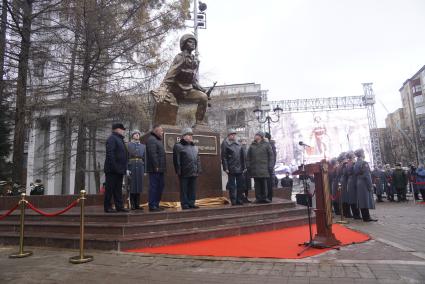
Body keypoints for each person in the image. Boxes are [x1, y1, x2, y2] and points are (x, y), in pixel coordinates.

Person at [152, 34, 208, 125]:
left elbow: (193, 81)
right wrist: (163, 89)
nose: (193, 43)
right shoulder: (180, 57)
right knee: (166, 101)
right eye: (190, 41)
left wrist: (203, 90)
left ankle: (199, 122)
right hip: (175, 90)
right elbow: (170, 75)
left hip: (188, 90)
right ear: (184, 44)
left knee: (204, 97)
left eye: (194, 42)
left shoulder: (195, 61)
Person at [173, 128, 202, 209]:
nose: (191, 136)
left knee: (192, 189)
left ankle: (191, 203)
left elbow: (198, 159)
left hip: (194, 171)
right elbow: (176, 160)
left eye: (191, 135)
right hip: (184, 172)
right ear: (184, 136)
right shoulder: (178, 146)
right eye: (189, 135)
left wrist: (198, 169)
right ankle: (185, 204)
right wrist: (178, 171)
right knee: (184, 189)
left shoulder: (195, 147)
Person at [104, 123, 129, 213]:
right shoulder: (112, 139)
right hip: (112, 169)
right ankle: (107, 207)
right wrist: (115, 167)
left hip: (119, 169)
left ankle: (119, 206)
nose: (123, 131)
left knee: (118, 189)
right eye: (122, 129)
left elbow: (123, 154)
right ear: (117, 129)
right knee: (109, 189)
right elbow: (110, 154)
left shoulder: (119, 139)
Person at [246, 131, 274, 204]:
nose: (255, 136)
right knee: (257, 184)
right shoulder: (252, 146)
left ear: (260, 136)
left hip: (264, 168)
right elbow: (248, 157)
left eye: (257, 135)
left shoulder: (267, 145)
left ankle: (264, 198)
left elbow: (271, 156)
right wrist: (248, 166)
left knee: (264, 183)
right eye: (255, 135)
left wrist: (270, 166)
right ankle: (258, 198)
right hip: (255, 168)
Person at [221, 129, 245, 206]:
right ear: (228, 135)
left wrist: (244, 167)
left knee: (240, 185)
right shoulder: (225, 143)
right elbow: (224, 157)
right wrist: (226, 167)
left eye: (234, 134)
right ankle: (233, 200)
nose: (233, 136)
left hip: (239, 168)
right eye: (232, 134)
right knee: (232, 185)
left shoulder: (238, 144)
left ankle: (239, 199)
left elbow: (242, 156)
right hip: (231, 168)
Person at [146, 125, 166, 212]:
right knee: (154, 187)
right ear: (156, 131)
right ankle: (152, 205)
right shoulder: (152, 139)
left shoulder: (158, 140)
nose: (162, 132)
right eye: (161, 131)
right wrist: (156, 166)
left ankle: (156, 204)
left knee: (160, 186)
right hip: (155, 168)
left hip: (160, 168)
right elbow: (152, 154)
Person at [353, 149, 377, 222]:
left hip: (358, 182)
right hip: (364, 183)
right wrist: (370, 186)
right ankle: (367, 217)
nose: (364, 154)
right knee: (365, 200)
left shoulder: (356, 163)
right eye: (363, 153)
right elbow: (367, 175)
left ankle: (365, 216)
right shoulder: (364, 163)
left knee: (362, 200)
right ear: (361, 154)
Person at [127, 130, 145, 211]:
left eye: (138, 134)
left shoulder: (143, 146)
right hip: (132, 166)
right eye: (135, 134)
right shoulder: (128, 145)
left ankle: (137, 204)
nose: (137, 135)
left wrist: (144, 170)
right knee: (132, 186)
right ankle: (133, 204)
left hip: (140, 166)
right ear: (132, 136)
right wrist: (127, 168)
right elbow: (126, 157)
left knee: (139, 186)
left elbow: (145, 158)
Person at [345, 151, 361, 219]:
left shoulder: (347, 163)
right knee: (354, 198)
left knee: (352, 198)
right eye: (353, 156)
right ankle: (356, 215)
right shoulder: (353, 163)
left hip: (350, 180)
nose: (354, 156)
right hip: (354, 180)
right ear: (351, 156)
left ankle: (355, 214)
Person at [337, 152, 352, 218]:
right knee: (346, 198)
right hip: (345, 181)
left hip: (340, 181)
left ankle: (345, 213)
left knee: (343, 198)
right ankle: (348, 213)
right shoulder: (344, 164)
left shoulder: (339, 166)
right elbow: (346, 173)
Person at [264, 132, 277, 202]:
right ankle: (265, 196)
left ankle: (269, 197)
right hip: (264, 167)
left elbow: (274, 157)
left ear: (267, 138)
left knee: (269, 183)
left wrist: (271, 166)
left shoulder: (271, 145)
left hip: (269, 168)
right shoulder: (264, 144)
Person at [240, 137, 252, 203]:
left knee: (247, 185)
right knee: (242, 185)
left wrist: (248, 167)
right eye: (243, 141)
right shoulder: (239, 149)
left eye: (245, 141)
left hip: (248, 170)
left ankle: (246, 197)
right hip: (241, 170)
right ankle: (242, 197)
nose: (244, 142)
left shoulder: (248, 149)